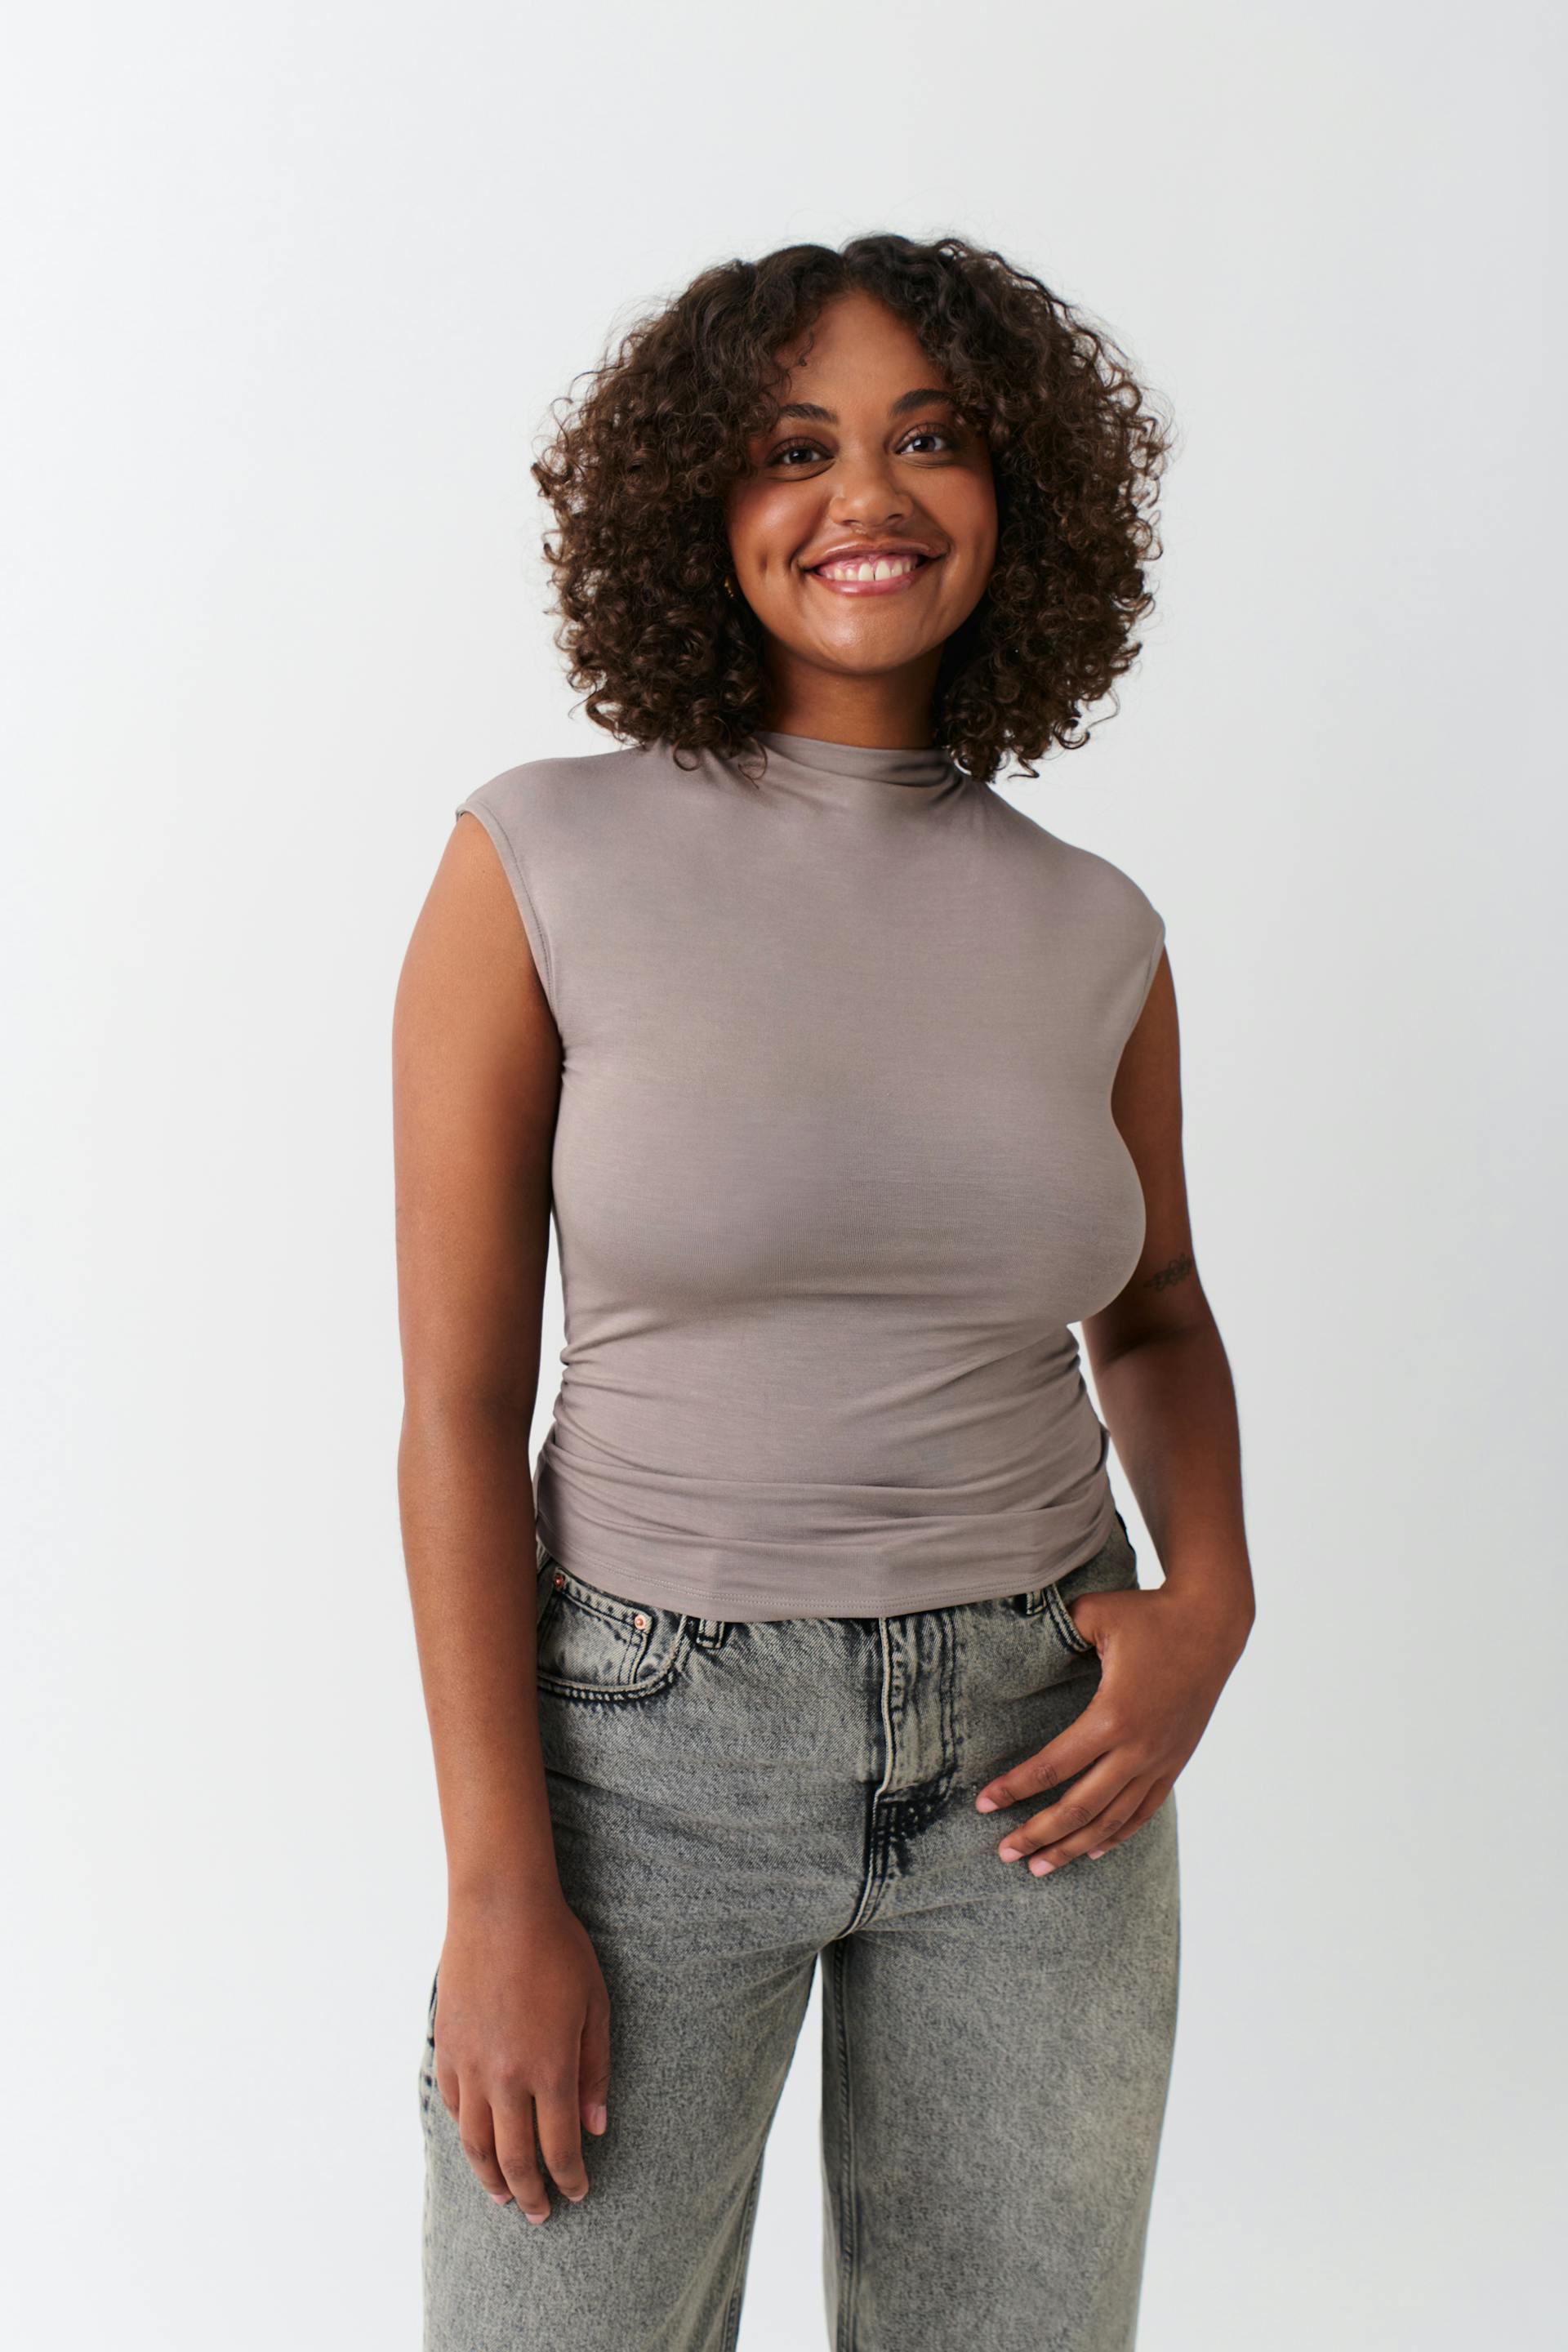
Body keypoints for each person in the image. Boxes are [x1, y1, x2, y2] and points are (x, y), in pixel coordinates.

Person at [394, 230, 1255, 2352]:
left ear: (1018, 493)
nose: (866, 495)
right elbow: (456, 1412)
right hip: (645, 1762)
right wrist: (500, 1882)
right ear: (700, 502)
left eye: (929, 439)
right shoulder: (539, 861)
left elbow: (1154, 1303)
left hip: (1044, 1756)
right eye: (795, 448)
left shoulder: (1096, 928)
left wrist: (1213, 1593)